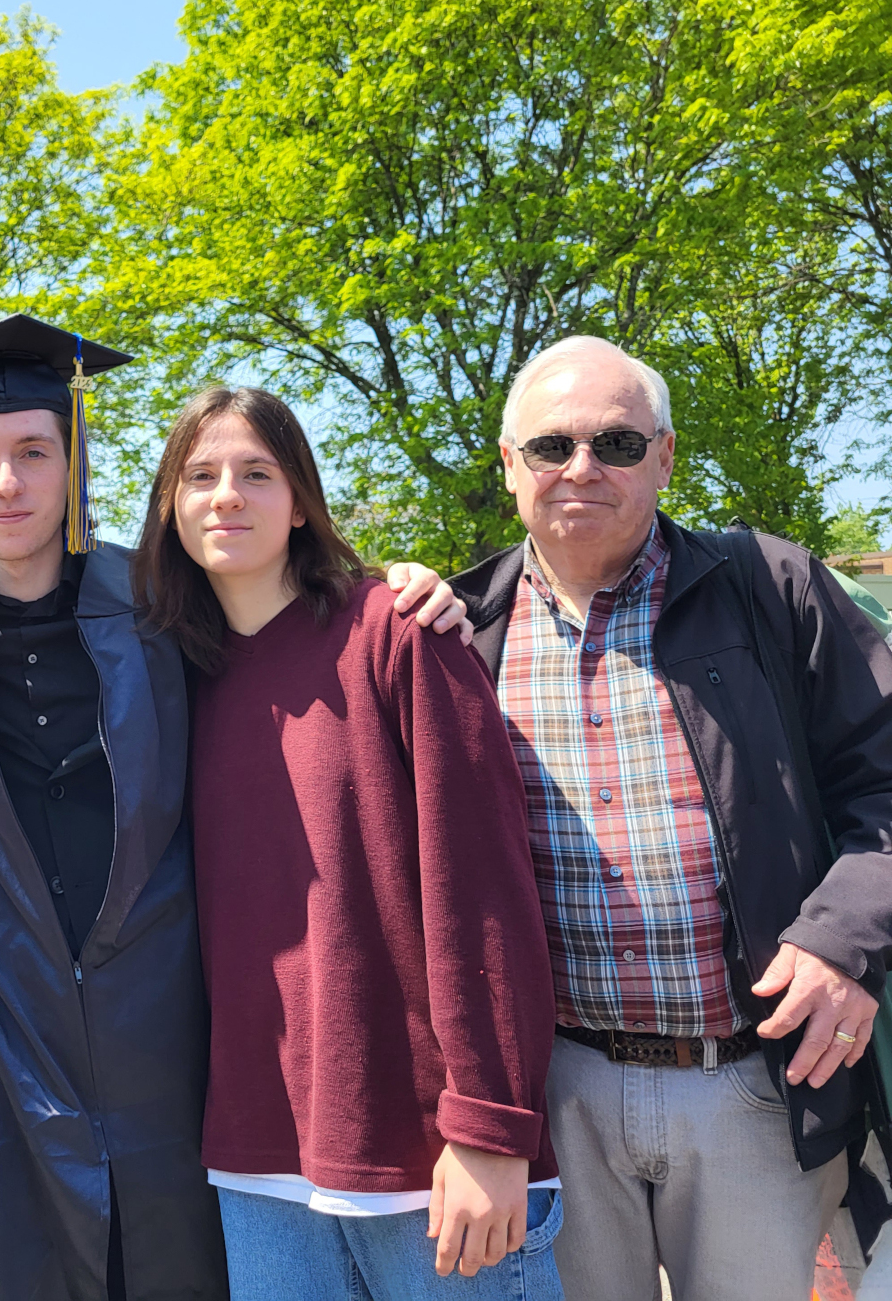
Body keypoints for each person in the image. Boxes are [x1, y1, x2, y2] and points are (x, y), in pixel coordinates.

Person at [0, 315, 467, 1299]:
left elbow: (296, 614)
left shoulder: (158, 605)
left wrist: (405, 583)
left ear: (71, 462)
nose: (7, 484)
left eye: (34, 453)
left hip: (176, 1040)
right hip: (4, 1052)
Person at [448, 336, 892, 1301]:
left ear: (666, 457)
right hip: (555, 1093)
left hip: (752, 1085)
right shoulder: (456, 632)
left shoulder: (773, 590)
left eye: (614, 440)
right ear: (507, 464)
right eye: (550, 446)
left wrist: (845, 941)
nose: (581, 468)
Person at [133, 385, 563, 1301]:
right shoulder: (168, 676)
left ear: (301, 500)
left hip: (427, 1159)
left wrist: (490, 1128)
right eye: (200, 476)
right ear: (169, 506)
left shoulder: (397, 633)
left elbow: (482, 888)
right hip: (258, 1163)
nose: (228, 496)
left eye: (258, 473)